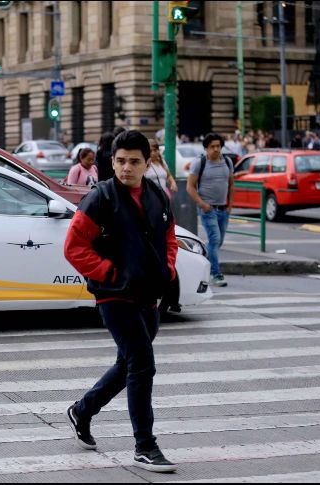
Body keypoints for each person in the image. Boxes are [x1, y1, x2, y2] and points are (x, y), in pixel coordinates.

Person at [64, 130, 178, 473]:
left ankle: (82, 410)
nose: (126, 168)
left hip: (148, 295)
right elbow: (74, 248)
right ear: (112, 162)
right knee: (142, 364)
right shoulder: (100, 198)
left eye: (134, 161)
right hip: (114, 295)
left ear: (147, 163)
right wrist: (110, 274)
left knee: (128, 364)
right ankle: (145, 446)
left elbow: (169, 237)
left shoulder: (157, 195)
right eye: (120, 161)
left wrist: (167, 269)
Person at [187, 133, 234, 288]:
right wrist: (202, 204)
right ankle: (216, 274)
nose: (216, 149)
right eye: (212, 146)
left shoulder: (227, 162)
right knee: (214, 239)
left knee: (218, 241)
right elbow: (190, 186)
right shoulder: (199, 163)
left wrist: (230, 205)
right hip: (208, 209)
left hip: (223, 208)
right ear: (206, 148)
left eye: (218, 146)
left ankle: (200, 264)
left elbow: (231, 184)